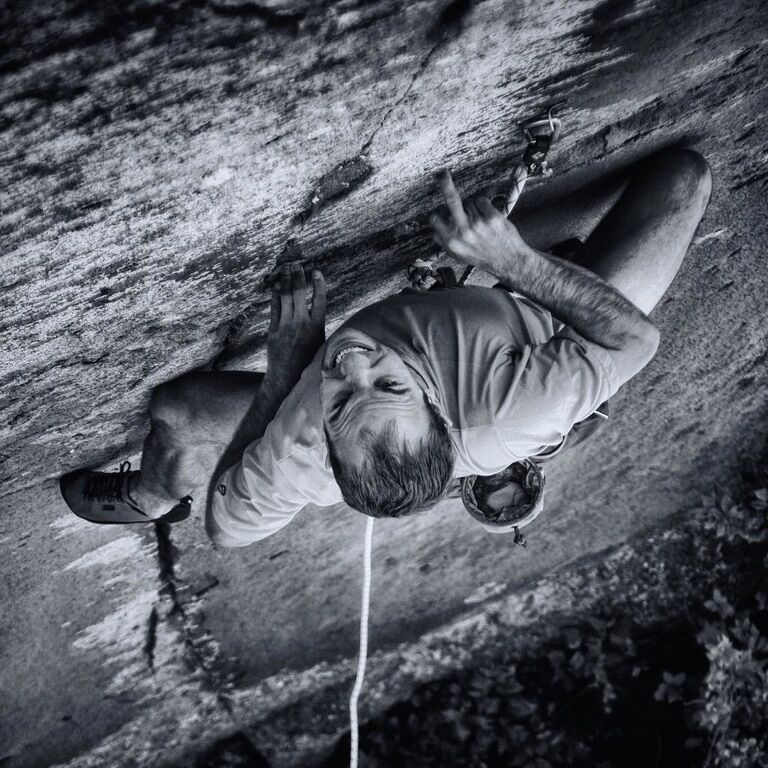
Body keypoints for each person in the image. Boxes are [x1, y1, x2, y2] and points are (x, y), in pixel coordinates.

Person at [60, 148, 712, 546]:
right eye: (390, 385)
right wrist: (515, 259)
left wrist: (289, 372)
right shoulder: (530, 400)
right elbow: (635, 340)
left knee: (178, 413)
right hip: (543, 328)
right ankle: (547, 280)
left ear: (325, 450)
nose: (352, 364)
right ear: (436, 406)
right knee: (683, 180)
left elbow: (226, 529)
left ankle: (147, 500)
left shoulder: (302, 450)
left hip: (484, 355)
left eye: (339, 402)